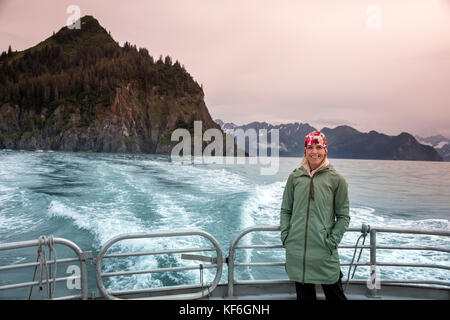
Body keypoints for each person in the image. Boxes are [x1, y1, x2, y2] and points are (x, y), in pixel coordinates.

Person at [280, 131, 350, 301]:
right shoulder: (295, 177)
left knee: (336, 297)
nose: (314, 152)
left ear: (325, 150)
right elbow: (286, 210)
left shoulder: (337, 180)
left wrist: (331, 242)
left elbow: (343, 216)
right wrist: (286, 237)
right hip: (297, 252)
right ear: (305, 150)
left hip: (324, 252)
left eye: (319, 147)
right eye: (310, 147)